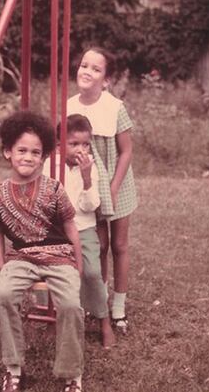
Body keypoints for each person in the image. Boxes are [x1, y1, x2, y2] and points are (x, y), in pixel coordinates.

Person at [0, 111, 85, 392]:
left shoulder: (54, 189)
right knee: (3, 295)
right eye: (22, 150)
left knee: (70, 304)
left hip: (59, 257)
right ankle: (14, 368)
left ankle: (72, 375)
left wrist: (78, 262)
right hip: (21, 258)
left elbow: (70, 225)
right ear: (8, 152)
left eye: (35, 152)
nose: (28, 157)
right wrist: (2, 265)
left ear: (44, 156)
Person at [67, 46, 138, 335]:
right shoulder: (69, 105)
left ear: (106, 80)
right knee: (100, 247)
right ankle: (100, 303)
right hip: (88, 182)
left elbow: (126, 151)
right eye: (85, 65)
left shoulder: (115, 106)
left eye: (96, 69)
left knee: (119, 246)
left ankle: (118, 307)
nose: (88, 72)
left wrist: (113, 186)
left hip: (116, 181)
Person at [43, 114, 115, 349]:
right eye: (74, 144)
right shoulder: (48, 165)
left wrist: (86, 179)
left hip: (83, 228)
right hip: (57, 231)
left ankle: (104, 321)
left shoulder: (89, 166)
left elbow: (90, 206)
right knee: (61, 275)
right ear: (58, 144)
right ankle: (61, 318)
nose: (81, 150)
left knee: (93, 273)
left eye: (85, 144)